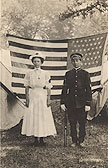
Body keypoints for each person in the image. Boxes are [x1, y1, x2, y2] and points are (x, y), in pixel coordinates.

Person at [21, 52, 57, 146]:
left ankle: (42, 138)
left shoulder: (45, 73)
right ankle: (35, 139)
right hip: (33, 95)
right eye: (35, 61)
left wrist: (48, 99)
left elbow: (49, 86)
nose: (36, 63)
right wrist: (27, 99)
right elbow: (26, 87)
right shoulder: (29, 73)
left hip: (42, 95)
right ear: (33, 62)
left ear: (41, 62)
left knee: (42, 116)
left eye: (38, 61)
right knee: (34, 116)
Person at [60, 53, 92, 147]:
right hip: (71, 103)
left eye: (77, 60)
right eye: (73, 61)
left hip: (82, 103)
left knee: (82, 123)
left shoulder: (85, 74)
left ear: (81, 62)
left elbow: (88, 89)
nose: (75, 62)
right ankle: (74, 140)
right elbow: (64, 89)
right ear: (71, 62)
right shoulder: (68, 74)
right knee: (72, 123)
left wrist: (88, 103)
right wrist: (63, 102)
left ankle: (81, 141)